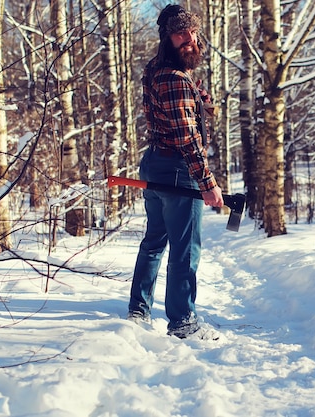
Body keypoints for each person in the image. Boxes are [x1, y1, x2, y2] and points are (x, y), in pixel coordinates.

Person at [127, 4, 224, 339]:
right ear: (166, 37)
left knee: (154, 240)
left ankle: (138, 309)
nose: (189, 39)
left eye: (192, 32)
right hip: (178, 169)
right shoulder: (175, 79)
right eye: (181, 33)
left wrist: (200, 99)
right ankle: (183, 320)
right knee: (185, 250)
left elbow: (176, 105)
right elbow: (187, 137)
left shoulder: (158, 70)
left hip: (155, 162)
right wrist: (207, 182)